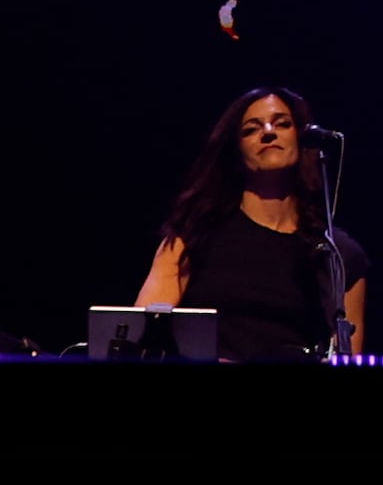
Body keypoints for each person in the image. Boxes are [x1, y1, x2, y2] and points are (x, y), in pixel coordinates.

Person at [136, 86, 365, 361]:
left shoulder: (339, 255)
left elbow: (348, 356)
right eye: (251, 130)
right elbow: (143, 338)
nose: (268, 132)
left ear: (302, 141)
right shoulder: (194, 234)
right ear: (236, 153)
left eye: (282, 124)